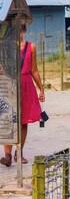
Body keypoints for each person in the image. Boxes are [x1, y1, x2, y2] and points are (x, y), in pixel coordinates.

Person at [1, 24, 45, 167]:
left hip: (26, 85)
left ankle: (18, 152)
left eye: (19, 29)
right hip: (9, 85)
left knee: (23, 121)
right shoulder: (4, 47)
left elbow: (34, 70)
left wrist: (41, 89)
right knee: (8, 120)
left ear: (24, 30)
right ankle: (7, 155)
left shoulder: (31, 47)